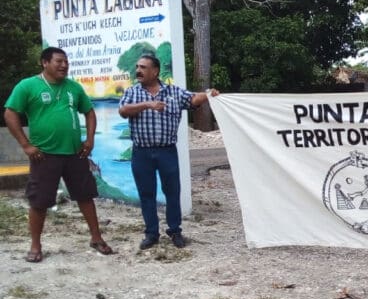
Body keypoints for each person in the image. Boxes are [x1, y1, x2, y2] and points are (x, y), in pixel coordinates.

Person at [4, 47, 112, 262]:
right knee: (39, 201)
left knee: (85, 196)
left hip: (75, 153)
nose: (64, 65)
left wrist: (90, 139)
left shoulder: (73, 87)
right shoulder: (28, 86)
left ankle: (96, 238)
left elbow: (89, 112)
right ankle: (35, 246)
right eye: (59, 61)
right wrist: (25, 145)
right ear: (44, 63)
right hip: (44, 155)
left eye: (66, 62)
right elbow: (10, 113)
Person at [118, 54, 219, 250]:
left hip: (167, 152)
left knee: (172, 192)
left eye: (143, 67)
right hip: (141, 152)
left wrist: (208, 94)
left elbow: (193, 99)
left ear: (155, 71)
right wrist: (147, 104)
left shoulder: (173, 92)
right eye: (137, 67)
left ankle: (175, 231)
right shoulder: (132, 92)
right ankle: (151, 234)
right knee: (146, 194)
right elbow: (123, 111)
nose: (138, 70)